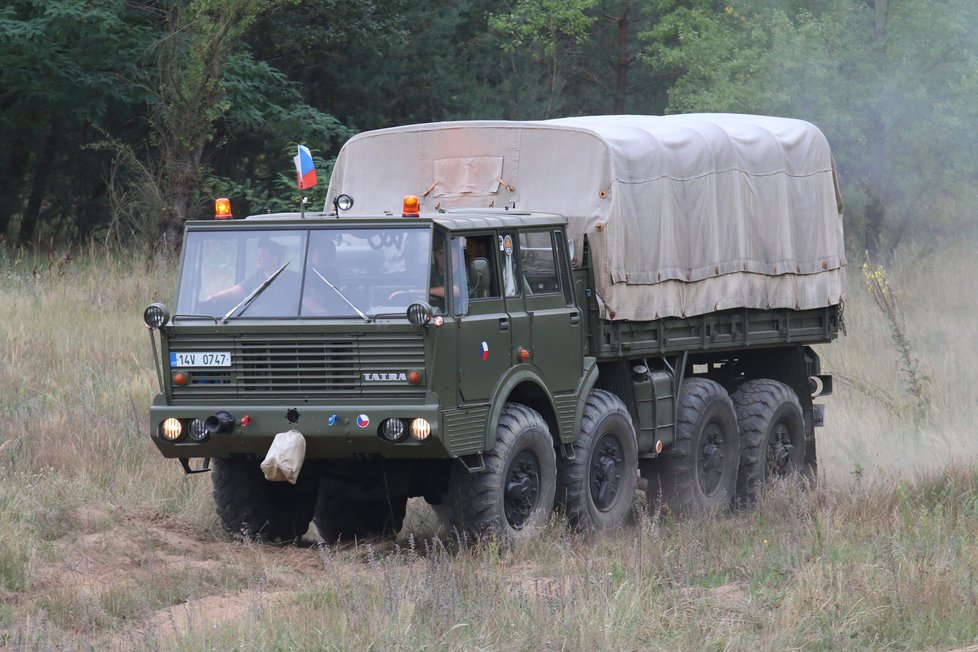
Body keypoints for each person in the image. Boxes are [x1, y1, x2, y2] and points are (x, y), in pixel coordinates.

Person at [202, 239, 297, 313]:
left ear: (275, 258)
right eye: (257, 256)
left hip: (282, 323)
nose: (258, 259)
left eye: (263, 256)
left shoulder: (292, 279)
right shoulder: (255, 278)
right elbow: (233, 293)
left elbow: (305, 301)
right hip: (256, 323)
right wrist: (217, 296)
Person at [301, 238, 344, 315]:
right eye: (329, 251)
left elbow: (336, 293)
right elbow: (312, 298)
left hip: (334, 311)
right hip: (314, 316)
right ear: (318, 252)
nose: (332, 254)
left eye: (333, 251)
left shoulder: (332, 271)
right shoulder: (307, 272)